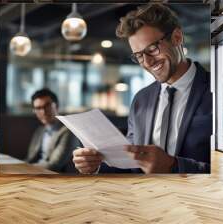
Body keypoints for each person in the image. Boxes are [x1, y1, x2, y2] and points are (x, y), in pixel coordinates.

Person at [72, 4, 212, 174]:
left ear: (176, 37)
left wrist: (173, 167)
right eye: (139, 55)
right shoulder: (141, 99)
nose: (147, 62)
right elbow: (132, 164)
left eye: (152, 49)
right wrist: (96, 164)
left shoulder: (219, 91)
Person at [25, 88, 79, 173]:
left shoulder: (68, 131)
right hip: (36, 172)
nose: (43, 111)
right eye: (38, 108)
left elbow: (55, 165)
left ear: (56, 106)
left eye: (47, 106)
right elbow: (30, 158)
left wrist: (27, 168)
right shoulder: (40, 130)